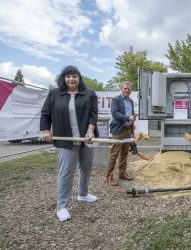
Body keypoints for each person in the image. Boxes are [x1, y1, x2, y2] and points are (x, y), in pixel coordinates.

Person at [40, 65, 99, 222]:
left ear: (79, 78)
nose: (71, 79)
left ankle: (83, 194)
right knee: (66, 171)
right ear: (63, 79)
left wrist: (90, 131)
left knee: (86, 167)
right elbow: (46, 114)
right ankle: (61, 206)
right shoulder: (54, 94)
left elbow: (93, 114)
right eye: (68, 76)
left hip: (87, 138)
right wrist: (46, 131)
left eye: (74, 76)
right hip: (65, 139)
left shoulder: (89, 94)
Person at [106, 81, 136, 186]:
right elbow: (115, 113)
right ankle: (109, 177)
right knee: (114, 154)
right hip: (118, 130)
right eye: (125, 88)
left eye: (128, 89)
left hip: (128, 130)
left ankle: (122, 173)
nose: (127, 90)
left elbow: (131, 115)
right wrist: (128, 118)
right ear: (121, 89)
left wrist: (132, 125)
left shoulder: (131, 101)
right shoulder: (116, 99)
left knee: (124, 154)